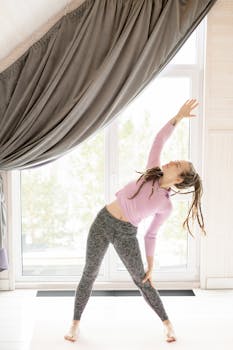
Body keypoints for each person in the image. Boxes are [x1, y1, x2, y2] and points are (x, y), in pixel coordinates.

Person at [64, 99, 206, 343]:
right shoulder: (153, 171)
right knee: (90, 272)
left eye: (177, 165)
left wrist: (151, 265)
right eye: (176, 159)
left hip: (126, 232)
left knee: (142, 280)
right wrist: (178, 117)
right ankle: (75, 324)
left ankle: (168, 324)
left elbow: (151, 235)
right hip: (103, 220)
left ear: (179, 180)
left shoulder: (166, 205)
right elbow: (159, 140)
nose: (171, 161)